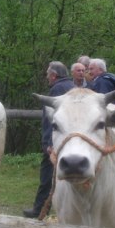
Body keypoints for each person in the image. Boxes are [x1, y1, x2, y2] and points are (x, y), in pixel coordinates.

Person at [23, 61, 74, 219]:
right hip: (70, 141)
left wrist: (47, 143)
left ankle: (40, 210)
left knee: (47, 176)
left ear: (53, 75)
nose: (47, 78)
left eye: (47, 74)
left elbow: (50, 120)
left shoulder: (56, 90)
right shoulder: (73, 87)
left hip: (56, 141)